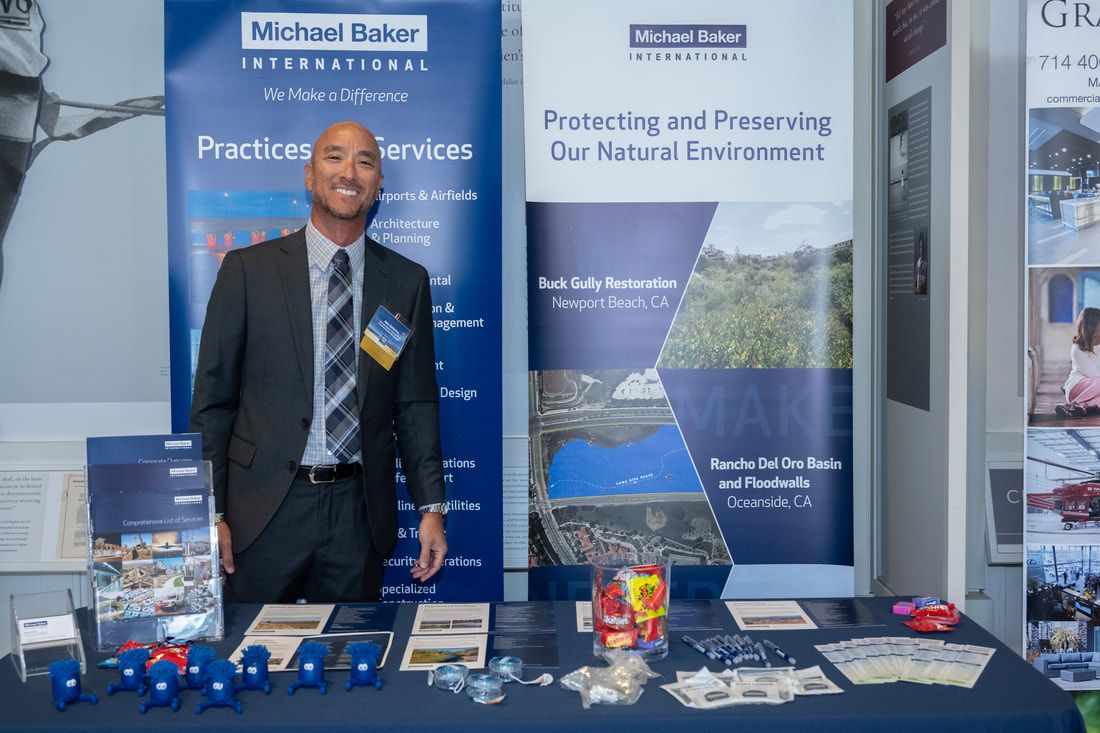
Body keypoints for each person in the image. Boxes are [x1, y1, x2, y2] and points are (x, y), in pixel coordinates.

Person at [189, 121, 447, 602]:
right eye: (335, 157)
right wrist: (212, 512)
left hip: (358, 514)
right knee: (256, 646)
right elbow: (212, 403)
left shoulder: (405, 282)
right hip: (264, 509)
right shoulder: (248, 271)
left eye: (365, 162)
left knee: (352, 645)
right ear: (310, 175)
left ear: (378, 184)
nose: (349, 171)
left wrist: (431, 507)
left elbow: (415, 406)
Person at [1057, 306, 1100, 419]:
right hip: (1078, 387)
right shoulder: (1078, 349)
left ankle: (1083, 406)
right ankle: (1072, 404)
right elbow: (1094, 375)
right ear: (1092, 326)